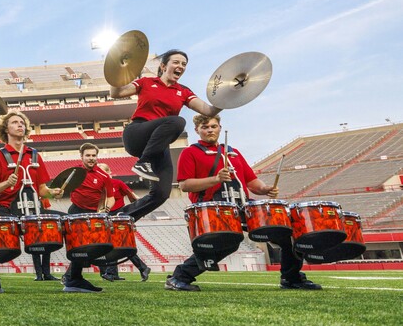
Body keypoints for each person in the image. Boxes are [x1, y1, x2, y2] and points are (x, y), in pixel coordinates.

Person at [167, 114, 321, 292]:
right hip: (214, 207)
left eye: (213, 126)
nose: (210, 130)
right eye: (205, 127)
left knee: (287, 234)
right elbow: (185, 185)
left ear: (219, 127)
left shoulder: (233, 152)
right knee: (225, 245)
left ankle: (291, 278)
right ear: (197, 130)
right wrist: (215, 179)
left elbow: (251, 181)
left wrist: (265, 189)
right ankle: (179, 277)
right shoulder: (190, 152)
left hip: (243, 205)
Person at [108, 49, 220, 221]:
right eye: (176, 62)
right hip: (138, 133)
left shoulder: (183, 91)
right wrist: (114, 72)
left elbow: (208, 110)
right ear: (163, 66)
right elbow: (116, 93)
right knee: (178, 122)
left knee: (161, 193)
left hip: (158, 145)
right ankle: (142, 162)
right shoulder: (145, 82)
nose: (180, 66)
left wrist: (227, 94)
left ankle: (119, 217)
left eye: (184, 64)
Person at [0, 111, 62, 294]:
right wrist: (6, 183)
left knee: (71, 222)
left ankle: (74, 277)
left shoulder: (35, 155)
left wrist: (52, 193)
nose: (20, 125)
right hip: (6, 209)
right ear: (5, 129)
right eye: (15, 122)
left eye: (22, 122)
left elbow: (41, 190)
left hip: (34, 210)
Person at [95, 163, 151, 282]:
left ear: (109, 172)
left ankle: (111, 273)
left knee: (116, 244)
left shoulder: (118, 183)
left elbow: (132, 195)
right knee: (119, 245)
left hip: (120, 215)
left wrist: (141, 208)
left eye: (104, 172)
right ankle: (141, 268)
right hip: (106, 216)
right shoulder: (98, 187)